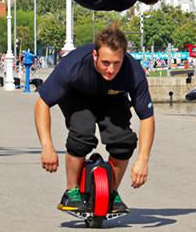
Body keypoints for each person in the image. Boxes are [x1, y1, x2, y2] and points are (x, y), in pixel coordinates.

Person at [34, 25, 155, 213]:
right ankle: (71, 191)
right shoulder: (73, 65)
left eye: (117, 63)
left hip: (113, 97)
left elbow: (147, 117)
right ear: (95, 56)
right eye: (106, 62)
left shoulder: (133, 71)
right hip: (77, 97)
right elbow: (42, 103)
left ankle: (112, 192)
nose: (111, 69)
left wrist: (143, 160)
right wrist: (47, 146)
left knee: (123, 142)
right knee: (82, 135)